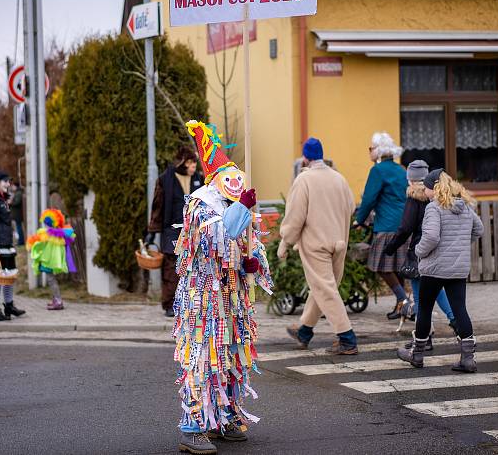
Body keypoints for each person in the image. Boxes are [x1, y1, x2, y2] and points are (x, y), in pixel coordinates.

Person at [173, 121, 273, 454]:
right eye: (227, 178)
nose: (234, 183)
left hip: (233, 300)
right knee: (203, 359)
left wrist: (252, 260)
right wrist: (243, 208)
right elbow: (218, 239)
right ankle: (192, 426)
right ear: (215, 180)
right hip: (205, 299)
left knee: (231, 358)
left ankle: (224, 416)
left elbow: (249, 242)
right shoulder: (200, 205)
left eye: (237, 178)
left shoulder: (235, 203)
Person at [397, 169, 483, 373]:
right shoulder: (464, 206)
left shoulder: (434, 208)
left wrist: (419, 251)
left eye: (426, 188)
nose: (424, 191)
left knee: (424, 308)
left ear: (433, 189)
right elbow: (478, 229)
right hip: (457, 269)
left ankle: (417, 354)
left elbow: (432, 237)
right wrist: (460, 246)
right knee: (460, 309)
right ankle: (468, 358)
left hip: (434, 268)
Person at [280, 138, 358, 355]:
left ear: (305, 158)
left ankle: (347, 338)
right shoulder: (339, 178)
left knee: (325, 289)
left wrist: (286, 241)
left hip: (316, 243)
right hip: (339, 242)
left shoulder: (304, 180)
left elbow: (295, 217)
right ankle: (304, 331)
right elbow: (351, 207)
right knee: (323, 288)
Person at [383, 160, 457, 350]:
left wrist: (391, 247)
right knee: (436, 289)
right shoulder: (439, 196)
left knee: (420, 296)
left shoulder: (414, 198)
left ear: (410, 179)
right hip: (439, 249)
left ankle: (423, 338)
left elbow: (405, 228)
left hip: (419, 251)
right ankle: (454, 321)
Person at [354, 132, 411, 320]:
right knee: (397, 267)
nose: (369, 151)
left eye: (371, 148)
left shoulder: (377, 171)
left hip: (386, 225)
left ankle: (403, 300)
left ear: (378, 151)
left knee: (381, 265)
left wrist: (359, 220)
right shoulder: (401, 169)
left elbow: (369, 199)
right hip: (403, 224)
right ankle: (400, 306)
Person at [147, 145, 203, 317]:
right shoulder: (165, 180)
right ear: (183, 163)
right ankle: (170, 304)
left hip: (194, 229)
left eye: (195, 163)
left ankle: (192, 303)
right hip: (172, 230)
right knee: (172, 267)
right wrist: (152, 231)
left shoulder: (199, 179)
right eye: (192, 163)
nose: (194, 166)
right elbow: (158, 206)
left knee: (195, 267)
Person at [0, 171, 26, 322]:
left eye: (8, 181)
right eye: (5, 182)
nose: (8, 184)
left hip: (6, 244)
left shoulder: (1, 199)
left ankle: (9, 306)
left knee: (9, 276)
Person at [10, 182, 25, 246]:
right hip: (17, 213)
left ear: (15, 186)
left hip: (17, 213)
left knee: (19, 228)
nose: (12, 187)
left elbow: (17, 202)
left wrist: (11, 203)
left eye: (13, 186)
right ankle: (20, 240)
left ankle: (21, 241)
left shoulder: (18, 193)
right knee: (18, 228)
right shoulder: (17, 192)